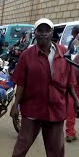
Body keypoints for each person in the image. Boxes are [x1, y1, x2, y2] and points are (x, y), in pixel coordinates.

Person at [10, 18, 79, 157]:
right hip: (32, 108)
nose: (43, 34)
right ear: (34, 33)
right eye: (40, 31)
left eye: (47, 30)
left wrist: (76, 100)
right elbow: (21, 83)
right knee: (21, 147)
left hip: (56, 109)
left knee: (56, 150)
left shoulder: (63, 52)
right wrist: (15, 104)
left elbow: (69, 80)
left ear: (52, 32)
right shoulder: (26, 56)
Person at [65, 25, 79, 142]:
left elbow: (69, 57)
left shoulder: (75, 42)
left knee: (72, 102)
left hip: (75, 74)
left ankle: (70, 132)